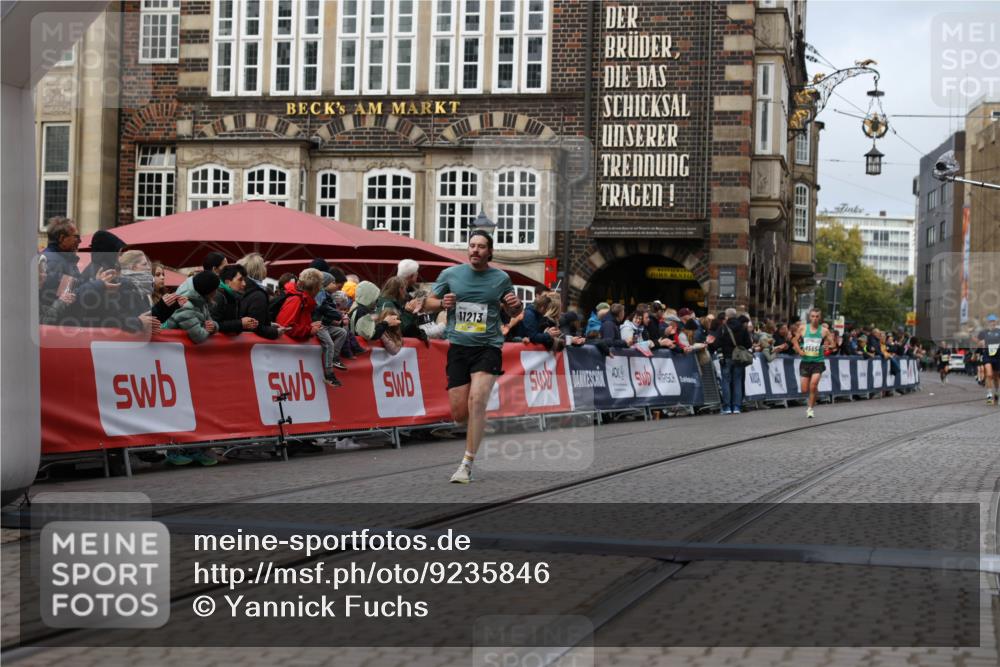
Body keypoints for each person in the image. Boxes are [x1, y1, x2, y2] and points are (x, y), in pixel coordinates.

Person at [421, 230, 522, 484]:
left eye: (481, 246)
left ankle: (466, 464)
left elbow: (512, 311)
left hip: (488, 346)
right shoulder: (451, 274)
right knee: (459, 414)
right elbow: (428, 303)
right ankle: (478, 423)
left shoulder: (501, 278)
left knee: (476, 401)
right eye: (472, 245)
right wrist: (442, 303)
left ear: (490, 251)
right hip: (459, 347)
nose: (475, 250)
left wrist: (516, 305)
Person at [275, 268, 341, 387]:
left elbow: (293, 323)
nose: (320, 289)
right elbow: (286, 327)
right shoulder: (296, 299)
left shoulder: (302, 298)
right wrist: (309, 330)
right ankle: (329, 374)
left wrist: (309, 326)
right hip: (286, 359)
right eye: (320, 286)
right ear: (314, 288)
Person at [791, 308, 834, 418]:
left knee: (813, 384)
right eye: (813, 316)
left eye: (817, 316)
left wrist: (828, 346)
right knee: (804, 389)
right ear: (809, 317)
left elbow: (833, 344)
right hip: (805, 361)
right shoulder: (803, 328)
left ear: (820, 318)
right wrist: (799, 351)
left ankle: (810, 409)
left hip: (818, 362)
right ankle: (815, 392)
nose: (814, 318)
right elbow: (794, 340)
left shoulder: (824, 331)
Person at [709, 308, 752, 415]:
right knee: (738, 381)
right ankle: (737, 406)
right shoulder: (742, 328)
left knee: (726, 381)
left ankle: (727, 407)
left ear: (727, 316)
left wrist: (711, 346)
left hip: (726, 357)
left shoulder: (723, 328)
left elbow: (716, 344)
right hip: (739, 358)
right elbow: (749, 344)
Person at [237, 253, 289, 340]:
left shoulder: (242, 288)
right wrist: (275, 332)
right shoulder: (258, 294)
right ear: (259, 269)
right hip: (249, 343)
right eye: (264, 265)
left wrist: (269, 324)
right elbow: (256, 325)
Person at [162, 270, 219, 344]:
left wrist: (213, 326)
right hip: (168, 346)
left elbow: (210, 321)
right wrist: (207, 329)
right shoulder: (185, 306)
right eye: (215, 289)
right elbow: (198, 336)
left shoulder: (201, 301)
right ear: (208, 291)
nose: (216, 292)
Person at [314, 271, 350, 370]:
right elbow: (323, 311)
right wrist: (339, 316)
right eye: (333, 282)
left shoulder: (327, 295)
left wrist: (338, 317)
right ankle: (329, 372)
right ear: (325, 283)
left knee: (342, 332)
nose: (336, 285)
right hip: (319, 326)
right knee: (329, 344)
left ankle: (335, 358)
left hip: (325, 325)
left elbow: (329, 312)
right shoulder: (320, 295)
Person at [211, 264, 257, 334]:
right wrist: (240, 323)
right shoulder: (218, 296)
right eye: (240, 280)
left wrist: (248, 323)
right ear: (227, 282)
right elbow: (213, 325)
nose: (244, 284)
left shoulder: (234, 296)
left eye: (244, 280)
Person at [977, 314, 1000, 405]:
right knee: (989, 375)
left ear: (996, 322)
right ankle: (989, 395)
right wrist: (981, 343)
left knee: (996, 377)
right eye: (990, 321)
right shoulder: (983, 333)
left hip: (997, 356)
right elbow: (978, 343)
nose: (992, 323)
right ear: (988, 323)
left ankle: (997, 393)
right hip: (987, 355)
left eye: (993, 321)